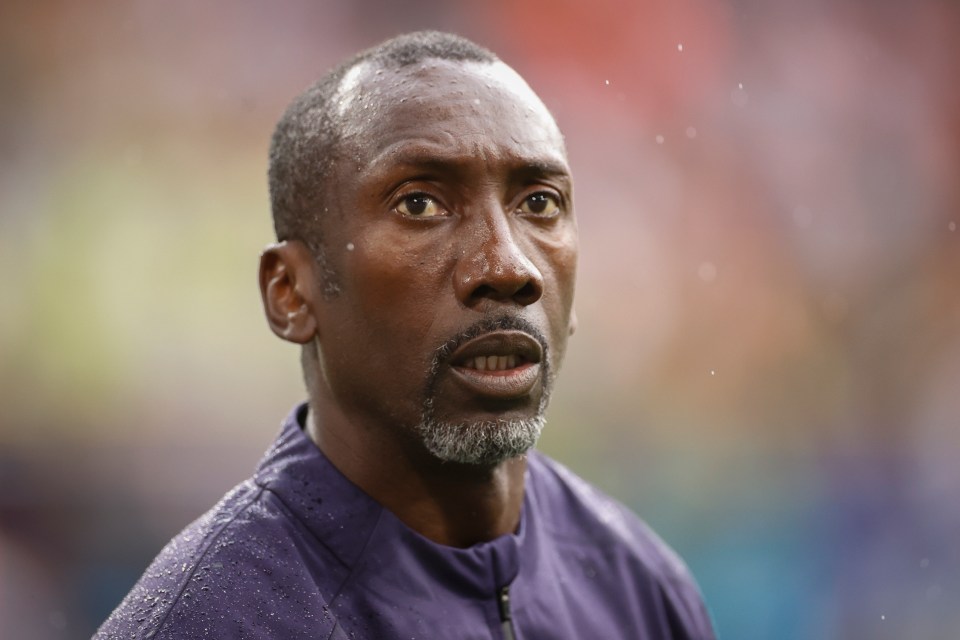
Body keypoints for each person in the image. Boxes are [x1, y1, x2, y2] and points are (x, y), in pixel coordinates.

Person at [94, 31, 715, 639]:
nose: (509, 267)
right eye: (420, 204)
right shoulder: (209, 620)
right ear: (290, 292)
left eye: (540, 203)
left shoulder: (639, 588)